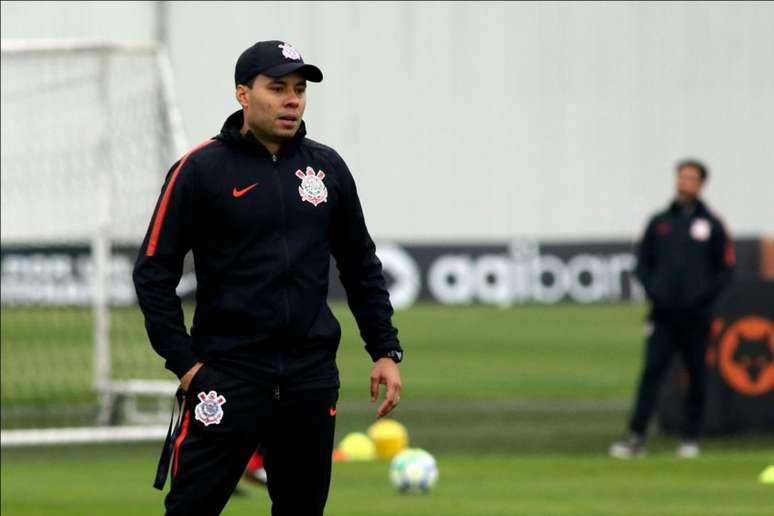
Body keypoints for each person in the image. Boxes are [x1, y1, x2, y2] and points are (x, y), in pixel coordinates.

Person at [133, 40, 403, 515]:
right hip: (227, 375)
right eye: (277, 88)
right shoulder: (200, 170)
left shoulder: (327, 168)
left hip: (310, 378)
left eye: (299, 90)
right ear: (242, 94)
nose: (292, 100)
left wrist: (384, 348)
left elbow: (360, 264)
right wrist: (187, 365)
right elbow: (153, 272)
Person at [609, 159, 735, 459]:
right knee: (652, 373)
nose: (685, 183)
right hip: (663, 315)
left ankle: (690, 437)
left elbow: (725, 269)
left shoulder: (712, 225)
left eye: (691, 178)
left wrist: (703, 298)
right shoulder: (661, 222)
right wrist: (656, 293)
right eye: (682, 177)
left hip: (696, 316)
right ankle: (635, 435)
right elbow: (642, 264)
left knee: (696, 375)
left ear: (701, 183)